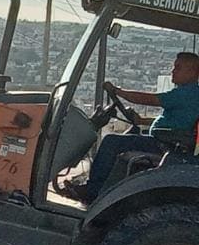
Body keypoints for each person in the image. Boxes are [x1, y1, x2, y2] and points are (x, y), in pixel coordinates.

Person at [76, 52, 199, 203]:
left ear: (192, 71)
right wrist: (141, 120)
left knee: (111, 142)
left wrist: (118, 92)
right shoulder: (190, 94)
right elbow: (175, 122)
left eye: (178, 68)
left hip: (166, 146)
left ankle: (92, 191)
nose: (172, 71)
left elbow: (149, 99)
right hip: (168, 141)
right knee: (131, 133)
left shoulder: (187, 94)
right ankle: (107, 191)